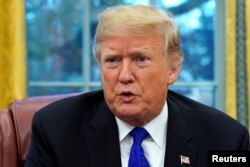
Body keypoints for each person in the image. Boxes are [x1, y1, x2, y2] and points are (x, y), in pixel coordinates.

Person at [25, 5, 249, 167]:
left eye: (141, 59)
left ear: (173, 69)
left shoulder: (226, 139)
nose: (124, 76)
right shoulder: (55, 130)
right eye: (112, 61)